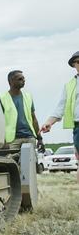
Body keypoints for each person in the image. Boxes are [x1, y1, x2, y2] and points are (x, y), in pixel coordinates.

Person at [40, 51, 79, 183]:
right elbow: (60, 108)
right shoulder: (70, 86)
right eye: (78, 62)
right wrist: (49, 123)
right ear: (74, 65)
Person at [0, 70, 42, 146]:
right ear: (11, 81)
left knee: (30, 158)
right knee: (11, 158)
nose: (23, 81)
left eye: (23, 78)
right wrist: (3, 140)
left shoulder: (28, 97)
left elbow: (34, 119)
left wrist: (40, 138)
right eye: (20, 79)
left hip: (29, 137)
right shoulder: (2, 98)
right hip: (12, 140)